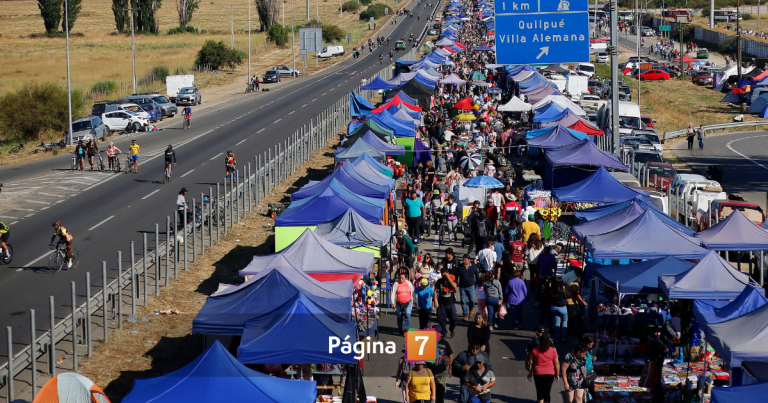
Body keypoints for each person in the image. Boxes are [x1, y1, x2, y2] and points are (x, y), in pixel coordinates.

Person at [528, 333, 560, 403]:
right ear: (548, 341)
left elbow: (531, 362)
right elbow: (556, 363)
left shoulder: (534, 350)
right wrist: (557, 374)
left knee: (539, 390)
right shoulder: (552, 350)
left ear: (540, 340)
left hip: (538, 373)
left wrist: (530, 373)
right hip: (550, 373)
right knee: (547, 391)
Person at [426, 324, 453, 403]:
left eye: (438, 333)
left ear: (441, 333)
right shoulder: (426, 341)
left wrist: (450, 369)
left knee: (440, 394)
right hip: (428, 372)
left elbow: (450, 355)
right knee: (428, 393)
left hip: (441, 372)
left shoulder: (445, 343)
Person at [434, 270, 458, 339]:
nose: (444, 275)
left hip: (451, 303)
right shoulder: (439, 281)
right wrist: (435, 301)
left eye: (445, 274)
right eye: (442, 274)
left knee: (454, 318)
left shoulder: (452, 278)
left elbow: (454, 285)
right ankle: (444, 332)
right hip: (441, 304)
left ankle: (452, 328)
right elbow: (435, 291)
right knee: (441, 319)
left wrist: (448, 278)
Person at [456, 254, 480, 320]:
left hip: (471, 286)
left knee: (472, 300)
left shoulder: (473, 267)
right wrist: (455, 283)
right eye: (463, 260)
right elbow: (456, 276)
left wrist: (478, 284)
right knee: (463, 301)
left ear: (469, 260)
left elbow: (477, 275)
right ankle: (465, 314)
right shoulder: (460, 267)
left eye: (465, 260)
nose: (464, 261)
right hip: (462, 286)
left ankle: (471, 309)